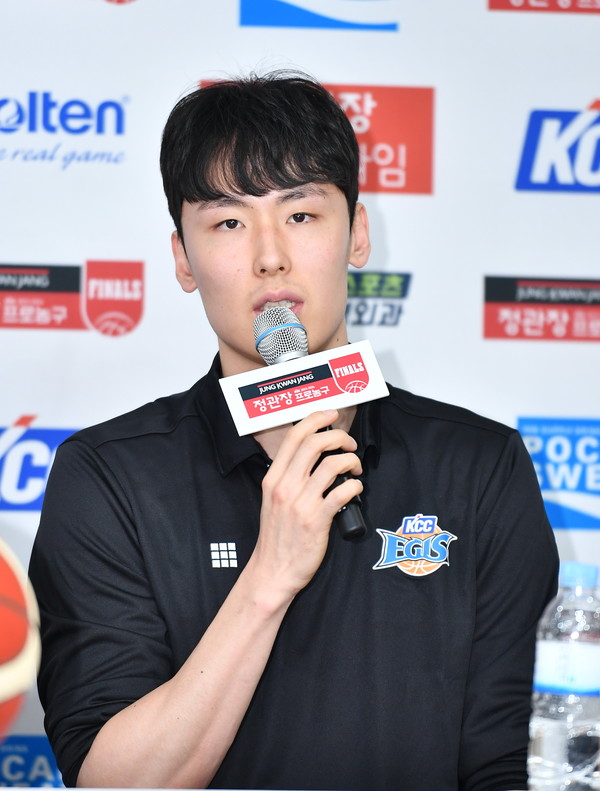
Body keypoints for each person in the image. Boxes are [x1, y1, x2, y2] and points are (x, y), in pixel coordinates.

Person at [29, 71, 559, 791]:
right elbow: (111, 781)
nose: (270, 255)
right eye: (228, 223)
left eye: (302, 214)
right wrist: (269, 577)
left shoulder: (479, 465)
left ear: (358, 234)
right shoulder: (108, 476)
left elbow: (513, 762)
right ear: (183, 258)